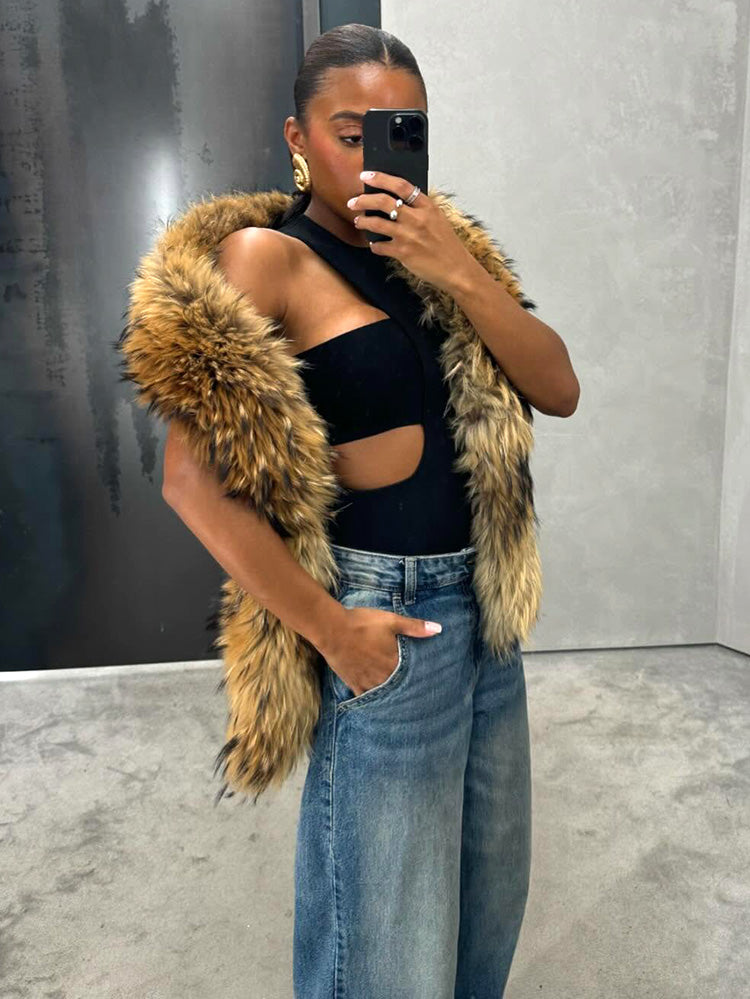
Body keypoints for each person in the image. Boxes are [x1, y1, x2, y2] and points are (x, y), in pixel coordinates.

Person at [145, 22, 579, 999]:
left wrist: (456, 268)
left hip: (487, 617)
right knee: (387, 952)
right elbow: (189, 479)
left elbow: (558, 387)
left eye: (403, 130)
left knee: (484, 914)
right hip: (387, 613)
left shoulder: (444, 254)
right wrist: (333, 631)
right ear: (297, 138)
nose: (376, 153)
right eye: (351, 133)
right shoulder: (266, 258)